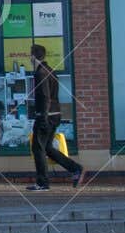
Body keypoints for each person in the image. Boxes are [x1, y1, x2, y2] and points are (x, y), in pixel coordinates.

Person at [27, 44, 83, 191]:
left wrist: (43, 117)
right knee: (48, 148)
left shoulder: (40, 73)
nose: (29, 58)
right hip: (55, 114)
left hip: (46, 115)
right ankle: (75, 169)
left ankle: (42, 183)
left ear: (33, 56)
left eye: (30, 55)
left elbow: (45, 96)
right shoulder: (50, 71)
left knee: (38, 148)